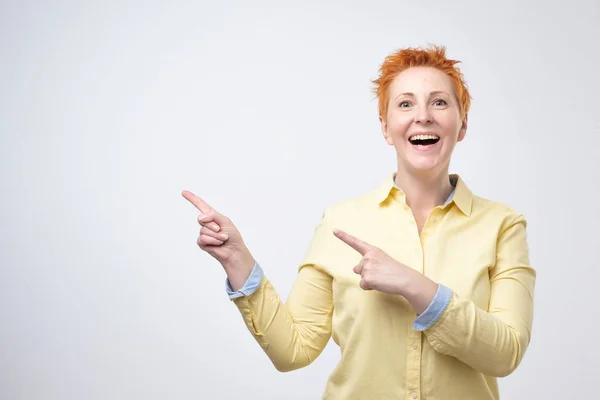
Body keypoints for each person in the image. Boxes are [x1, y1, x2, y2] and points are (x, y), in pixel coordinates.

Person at [182, 45, 536, 400]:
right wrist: (237, 261)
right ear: (386, 127)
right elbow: (293, 349)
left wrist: (415, 286)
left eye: (440, 102)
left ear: (462, 125)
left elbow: (505, 353)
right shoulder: (342, 221)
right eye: (405, 103)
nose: (423, 116)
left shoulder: (502, 225)